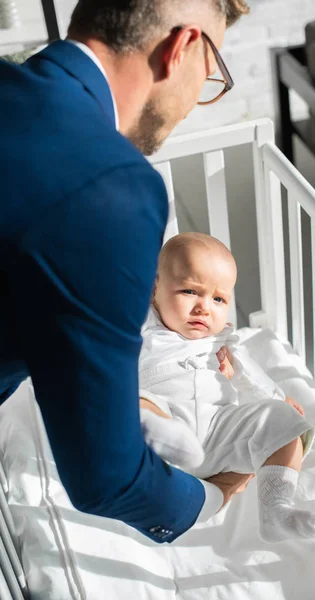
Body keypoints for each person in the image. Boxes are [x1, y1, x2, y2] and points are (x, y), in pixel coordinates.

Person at [0, 0, 251, 544]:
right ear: (181, 48)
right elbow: (105, 473)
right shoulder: (109, 186)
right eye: (211, 75)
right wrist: (211, 496)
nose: (196, 102)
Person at [139, 232, 315, 542]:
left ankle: (276, 508)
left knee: (285, 420)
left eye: (218, 299)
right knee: (133, 400)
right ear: (155, 289)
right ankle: (157, 433)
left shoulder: (225, 344)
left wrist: (276, 399)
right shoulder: (144, 324)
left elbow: (254, 381)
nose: (204, 308)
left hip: (218, 434)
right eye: (189, 291)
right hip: (165, 430)